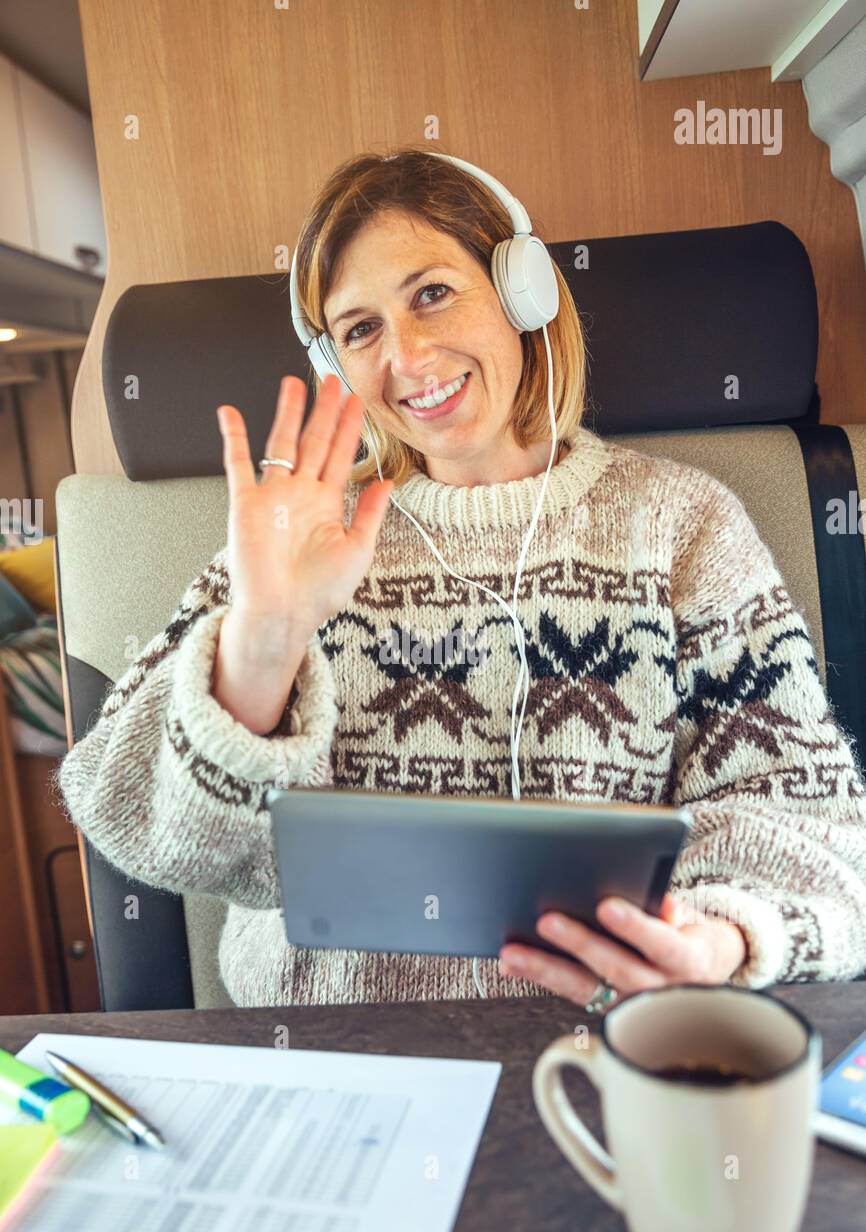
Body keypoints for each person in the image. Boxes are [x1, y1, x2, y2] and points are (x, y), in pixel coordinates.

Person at [54, 147, 866, 1010]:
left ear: (524, 293)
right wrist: (262, 643)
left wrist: (717, 935)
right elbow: (127, 814)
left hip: (602, 1045)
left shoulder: (680, 524)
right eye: (360, 328)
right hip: (332, 1056)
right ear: (337, 365)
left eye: (432, 293)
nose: (407, 356)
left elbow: (809, 822)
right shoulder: (305, 535)